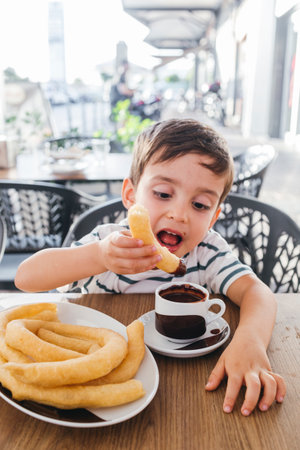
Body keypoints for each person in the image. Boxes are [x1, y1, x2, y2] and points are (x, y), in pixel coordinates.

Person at [15, 118, 286, 416]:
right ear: (131, 196)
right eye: (163, 194)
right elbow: (26, 278)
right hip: (101, 375)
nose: (179, 214)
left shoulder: (207, 251)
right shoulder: (109, 243)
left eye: (200, 205)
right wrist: (97, 257)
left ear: (213, 217)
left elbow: (257, 292)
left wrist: (250, 340)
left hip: (189, 387)